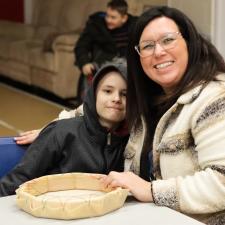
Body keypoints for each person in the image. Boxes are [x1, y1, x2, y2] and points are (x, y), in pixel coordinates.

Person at [98, 6, 225, 225]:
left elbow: (221, 184)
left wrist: (150, 190)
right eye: (147, 46)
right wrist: (55, 126)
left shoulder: (214, 98)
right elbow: (94, 105)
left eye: (168, 40)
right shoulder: (147, 98)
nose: (158, 52)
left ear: (189, 43)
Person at [0, 61, 129, 197]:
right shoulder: (61, 132)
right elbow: (16, 180)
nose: (116, 99)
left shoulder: (132, 143)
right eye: (107, 91)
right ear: (94, 95)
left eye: (125, 94)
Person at [75, 0, 137, 100]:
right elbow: (81, 46)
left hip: (128, 67)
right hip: (101, 65)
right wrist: (84, 62)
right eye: (107, 16)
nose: (108, 20)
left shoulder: (135, 25)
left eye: (113, 17)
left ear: (124, 18)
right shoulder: (96, 25)